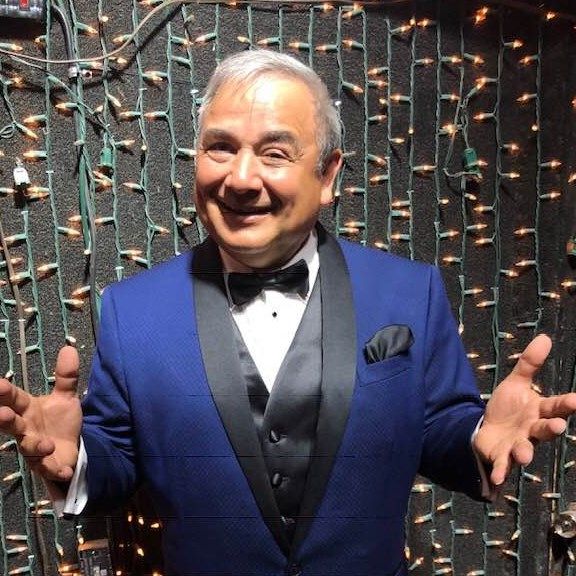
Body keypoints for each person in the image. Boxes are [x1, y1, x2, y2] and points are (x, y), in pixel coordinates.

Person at [0, 49, 574, 576]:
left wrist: (479, 437)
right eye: (220, 148)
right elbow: (118, 460)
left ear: (327, 175)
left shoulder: (410, 292)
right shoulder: (132, 311)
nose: (240, 178)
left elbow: (436, 431)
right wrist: (73, 459)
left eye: (274, 153)